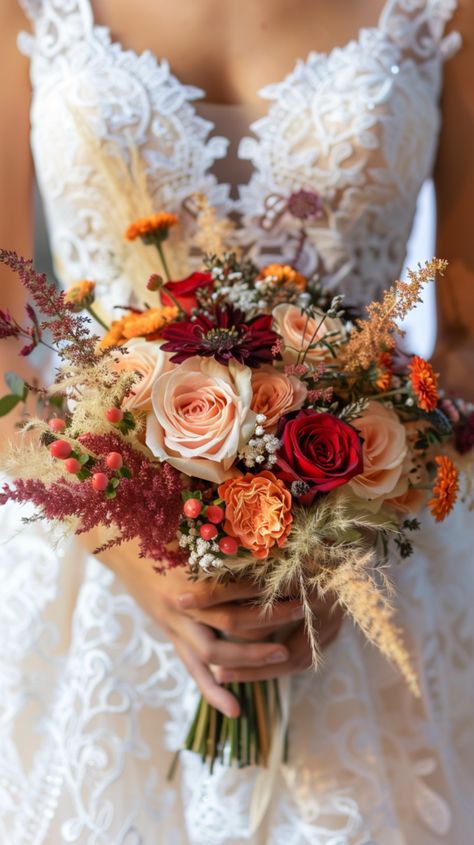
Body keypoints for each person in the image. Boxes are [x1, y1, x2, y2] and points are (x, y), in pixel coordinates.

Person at [0, 1, 473, 842]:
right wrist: (140, 560)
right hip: (89, 571)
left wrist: (346, 524)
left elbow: (467, 339)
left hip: (377, 565)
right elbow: (5, 344)